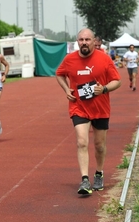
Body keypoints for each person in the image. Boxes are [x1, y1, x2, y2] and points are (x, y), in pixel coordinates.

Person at [55, 28, 121, 195]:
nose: (84, 42)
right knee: (82, 141)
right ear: (77, 42)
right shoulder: (69, 60)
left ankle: (98, 173)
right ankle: (84, 179)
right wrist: (66, 90)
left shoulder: (104, 59)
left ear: (93, 41)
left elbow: (117, 81)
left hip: (100, 108)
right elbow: (59, 74)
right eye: (81, 40)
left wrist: (104, 89)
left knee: (99, 145)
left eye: (87, 39)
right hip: (79, 107)